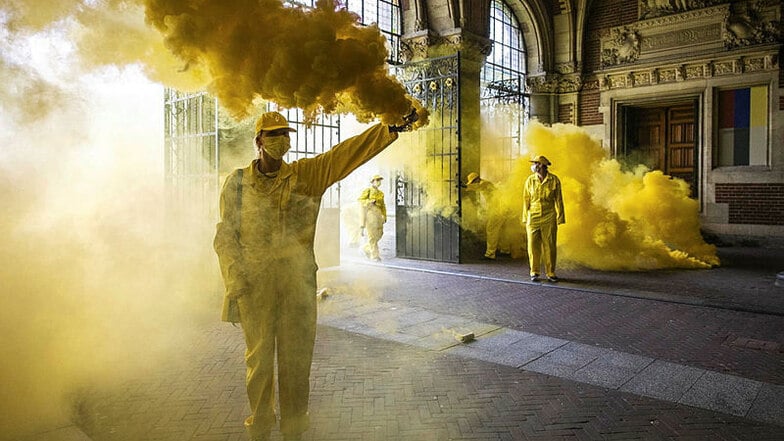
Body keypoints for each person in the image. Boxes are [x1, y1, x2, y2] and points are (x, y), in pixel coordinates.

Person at [213, 110, 417, 441]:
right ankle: (260, 426)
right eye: (274, 134)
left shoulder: (306, 175)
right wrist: (235, 280)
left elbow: (344, 155)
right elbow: (226, 237)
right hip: (255, 290)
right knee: (260, 365)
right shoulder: (237, 184)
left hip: (297, 288)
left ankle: (294, 428)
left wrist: (387, 128)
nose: (282, 140)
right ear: (259, 141)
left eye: (285, 134)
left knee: (295, 363)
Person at [522, 155, 565, 282]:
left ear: (542, 165)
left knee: (550, 245)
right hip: (533, 216)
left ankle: (551, 272)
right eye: (534, 163)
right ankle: (534, 272)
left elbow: (559, 200)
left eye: (536, 163)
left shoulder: (554, 180)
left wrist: (560, 217)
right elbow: (526, 199)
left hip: (549, 215)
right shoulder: (530, 180)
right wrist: (525, 217)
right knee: (532, 245)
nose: (534, 165)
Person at [464, 172, 505, 260]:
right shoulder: (485, 184)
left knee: (491, 230)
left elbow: (477, 187)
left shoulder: (484, 183)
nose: (473, 184)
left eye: (472, 182)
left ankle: (490, 254)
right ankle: (505, 250)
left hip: (497, 210)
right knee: (501, 230)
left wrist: (464, 186)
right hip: (500, 209)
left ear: (477, 179)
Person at [358, 174, 386, 261]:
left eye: (379, 180)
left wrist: (384, 216)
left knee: (380, 234)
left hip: (378, 215)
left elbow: (383, 206)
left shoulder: (381, 193)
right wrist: (370, 201)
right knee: (372, 236)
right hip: (370, 215)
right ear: (372, 182)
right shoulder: (368, 190)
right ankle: (375, 256)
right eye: (376, 180)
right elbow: (360, 200)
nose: (378, 182)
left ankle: (366, 248)